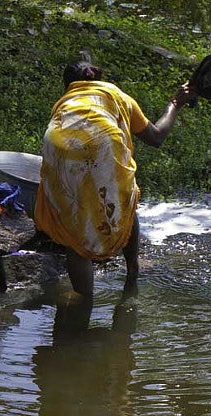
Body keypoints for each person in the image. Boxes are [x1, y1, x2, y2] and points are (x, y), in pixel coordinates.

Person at [34, 62, 192, 298]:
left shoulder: (68, 101)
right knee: (125, 202)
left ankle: (82, 302)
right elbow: (155, 137)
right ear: (98, 78)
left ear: (69, 85)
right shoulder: (115, 94)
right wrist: (175, 104)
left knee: (75, 222)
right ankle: (132, 272)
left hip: (60, 144)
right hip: (103, 142)